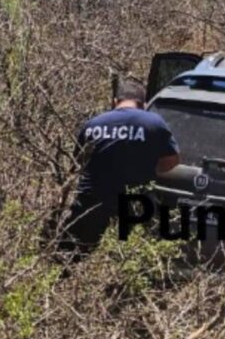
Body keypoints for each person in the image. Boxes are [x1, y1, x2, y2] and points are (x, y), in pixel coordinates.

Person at [58, 79, 180, 256]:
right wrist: (151, 170)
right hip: (135, 202)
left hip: (92, 200)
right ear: (143, 104)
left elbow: (78, 163)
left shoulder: (93, 124)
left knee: (72, 254)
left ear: (116, 101)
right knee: (133, 256)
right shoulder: (153, 123)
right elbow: (173, 159)